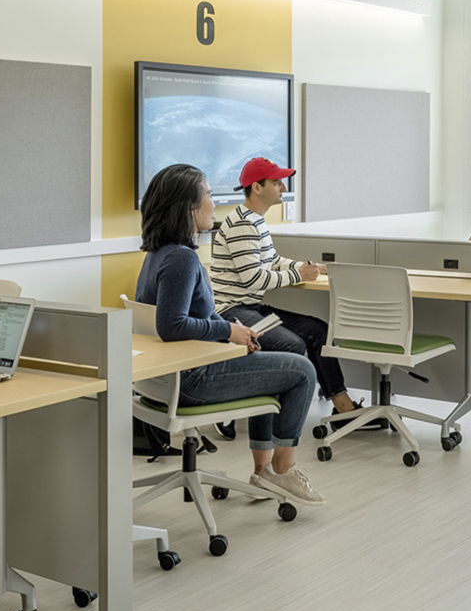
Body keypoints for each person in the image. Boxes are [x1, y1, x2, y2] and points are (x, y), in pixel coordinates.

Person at [135, 163, 326, 505]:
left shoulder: (157, 255)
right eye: (208, 195)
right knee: (302, 370)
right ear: (189, 207)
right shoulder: (182, 259)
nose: (213, 202)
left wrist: (231, 334)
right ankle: (280, 472)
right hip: (195, 380)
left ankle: (264, 472)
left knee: (274, 367)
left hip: (167, 381)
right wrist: (228, 329)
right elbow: (172, 325)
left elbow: (180, 322)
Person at [210, 157, 371, 426]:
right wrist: (298, 274)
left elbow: (273, 261)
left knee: (317, 330)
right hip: (232, 312)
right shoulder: (242, 224)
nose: (283, 187)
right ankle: (273, 414)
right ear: (257, 187)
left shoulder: (255, 221)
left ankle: (344, 409)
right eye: (276, 182)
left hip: (250, 308)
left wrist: (310, 268)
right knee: (291, 344)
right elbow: (253, 280)